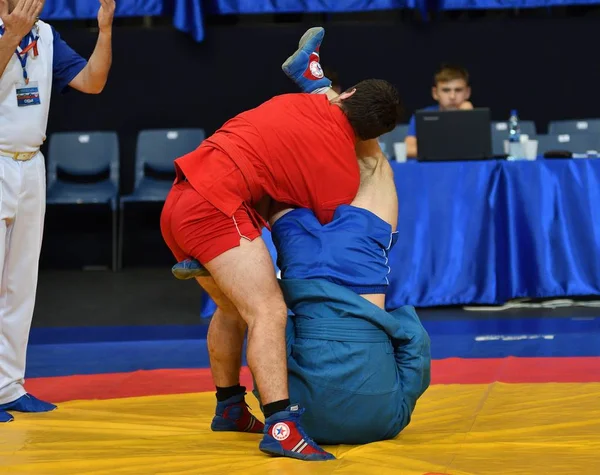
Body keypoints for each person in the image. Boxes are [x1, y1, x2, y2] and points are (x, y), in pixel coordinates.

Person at [173, 34, 430, 445]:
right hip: (298, 262)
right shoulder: (336, 172)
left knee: (375, 166)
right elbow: (280, 348)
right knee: (263, 312)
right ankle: (237, 407)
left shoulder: (390, 414)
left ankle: (319, 82)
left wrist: (397, 322)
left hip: (354, 257)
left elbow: (414, 346)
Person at [0, 0, 115, 424]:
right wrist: (11, 34)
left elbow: (92, 82)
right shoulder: (16, 31)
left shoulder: (45, 34)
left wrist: (104, 31)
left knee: (19, 284)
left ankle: (9, 387)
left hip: (30, 162)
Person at [404, 64, 473, 158]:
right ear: (435, 93)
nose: (452, 96)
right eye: (446, 90)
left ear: (467, 92)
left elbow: (480, 149)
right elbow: (408, 149)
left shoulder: (476, 116)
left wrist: (467, 116)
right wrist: (448, 150)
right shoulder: (422, 116)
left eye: (458, 90)